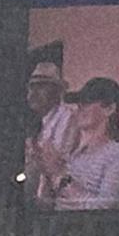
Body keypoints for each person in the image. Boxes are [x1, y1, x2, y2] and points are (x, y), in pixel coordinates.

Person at [51, 78, 119, 210]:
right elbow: (47, 205)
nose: (79, 108)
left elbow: (107, 208)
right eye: (78, 103)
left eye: (86, 102)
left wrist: (62, 178)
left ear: (109, 109)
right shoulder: (74, 155)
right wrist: (45, 169)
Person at [23, 59, 78, 207]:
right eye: (31, 87)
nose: (33, 93)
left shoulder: (67, 118)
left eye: (41, 86)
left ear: (57, 91)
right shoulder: (41, 123)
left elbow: (57, 162)